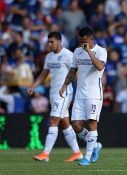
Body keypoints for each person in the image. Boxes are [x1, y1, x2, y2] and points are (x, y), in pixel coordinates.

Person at [27, 32, 82, 162]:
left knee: (53, 121)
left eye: (52, 41)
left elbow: (76, 74)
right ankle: (77, 153)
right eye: (48, 42)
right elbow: (43, 75)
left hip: (64, 94)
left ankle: (45, 154)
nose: (49, 44)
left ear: (59, 41)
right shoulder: (49, 57)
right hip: (53, 94)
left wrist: (80, 90)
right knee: (65, 124)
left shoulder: (68, 55)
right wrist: (33, 86)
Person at [59, 26, 107, 166]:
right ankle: (96, 145)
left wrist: (89, 52)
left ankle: (87, 156)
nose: (81, 44)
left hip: (94, 95)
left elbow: (99, 67)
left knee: (92, 123)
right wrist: (64, 85)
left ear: (91, 38)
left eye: (83, 41)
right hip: (80, 94)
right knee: (77, 126)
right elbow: (72, 71)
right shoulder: (77, 52)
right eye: (79, 41)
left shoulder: (101, 51)